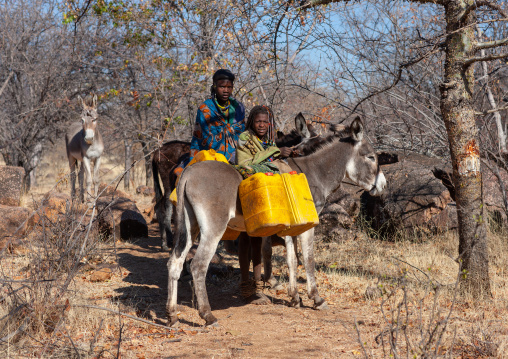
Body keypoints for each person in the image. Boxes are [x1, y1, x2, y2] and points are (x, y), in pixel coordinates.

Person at [235, 105, 292, 304]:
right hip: (247, 185)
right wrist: (275, 152)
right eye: (258, 121)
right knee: (244, 237)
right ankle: (245, 286)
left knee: (258, 237)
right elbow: (246, 164)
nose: (261, 125)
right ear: (251, 121)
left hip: (263, 190)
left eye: (264, 122)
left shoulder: (267, 140)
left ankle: (257, 286)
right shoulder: (244, 138)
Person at [173, 69, 245, 180]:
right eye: (222, 87)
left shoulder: (238, 107)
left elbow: (242, 131)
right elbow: (205, 138)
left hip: (237, 153)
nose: (226, 90)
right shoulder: (205, 108)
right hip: (211, 152)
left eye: (229, 87)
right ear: (215, 86)